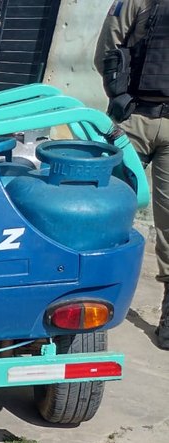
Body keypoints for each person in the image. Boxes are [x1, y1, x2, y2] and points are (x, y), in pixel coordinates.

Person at [96, 0, 169, 349]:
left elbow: (107, 49)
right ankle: (91, 297)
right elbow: (108, 50)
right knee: (107, 207)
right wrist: (119, 94)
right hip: (133, 118)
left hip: (141, 119)